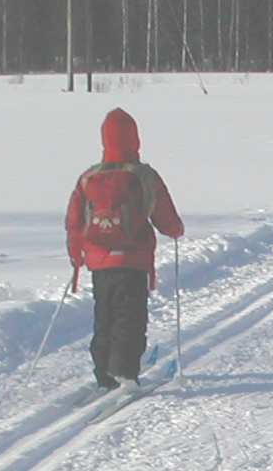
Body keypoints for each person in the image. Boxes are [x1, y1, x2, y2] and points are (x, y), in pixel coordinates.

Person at [67, 108, 185, 391]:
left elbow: (74, 220)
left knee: (104, 316)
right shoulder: (144, 175)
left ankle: (104, 372)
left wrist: (77, 254)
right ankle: (124, 371)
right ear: (135, 140)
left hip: (99, 263)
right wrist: (175, 230)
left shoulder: (89, 178)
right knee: (129, 317)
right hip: (132, 261)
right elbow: (165, 215)